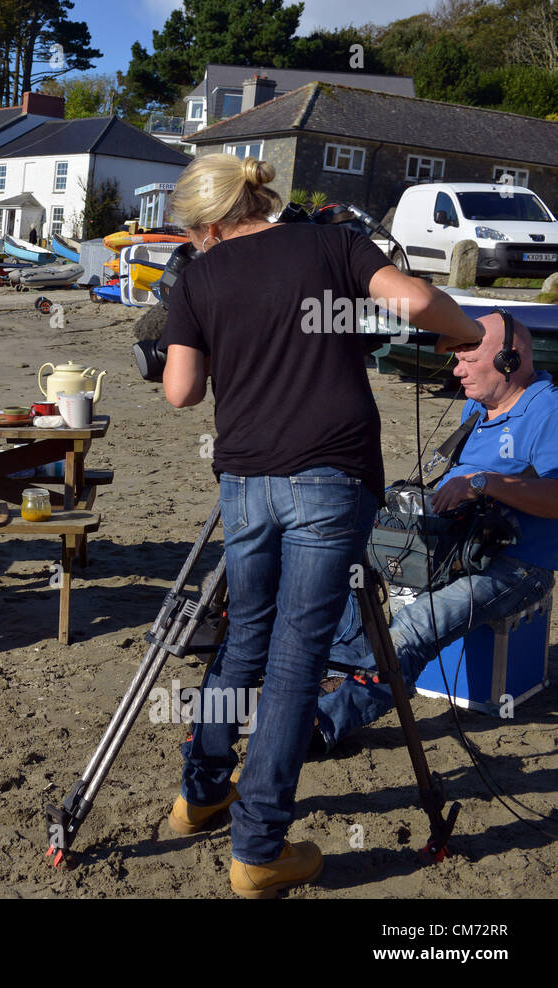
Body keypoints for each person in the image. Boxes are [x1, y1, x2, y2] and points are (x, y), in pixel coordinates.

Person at [158, 153, 483, 898]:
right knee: (298, 660)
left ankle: (203, 792)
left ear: (207, 224)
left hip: (244, 479)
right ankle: (258, 848)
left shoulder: (198, 277)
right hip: (329, 476)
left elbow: (180, 390)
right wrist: (465, 334)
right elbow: (412, 301)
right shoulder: (326, 242)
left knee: (245, 639)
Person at [316, 312, 558, 751]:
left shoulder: (548, 411)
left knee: (414, 627)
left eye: (468, 359)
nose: (457, 370)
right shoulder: (477, 405)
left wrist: (487, 483)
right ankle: (344, 673)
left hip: (517, 566)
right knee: (337, 557)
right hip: (454, 546)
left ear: (509, 359)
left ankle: (318, 726)